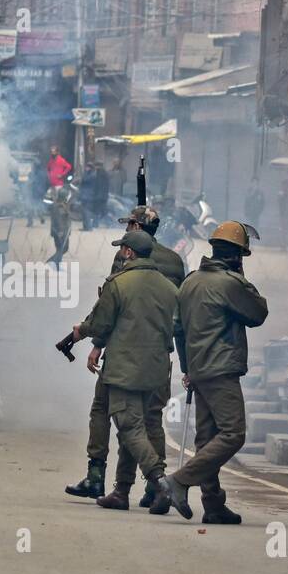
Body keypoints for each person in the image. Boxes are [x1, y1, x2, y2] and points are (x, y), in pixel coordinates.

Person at [65, 206, 185, 507]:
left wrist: (93, 340)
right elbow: (178, 320)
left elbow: (110, 311)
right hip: (158, 359)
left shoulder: (123, 268)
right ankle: (134, 490)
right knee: (151, 419)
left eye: (129, 226)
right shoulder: (172, 267)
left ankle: (115, 478)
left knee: (112, 415)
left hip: (124, 358)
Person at [155, 222, 268, 523]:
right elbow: (258, 314)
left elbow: (177, 329)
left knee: (206, 440)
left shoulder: (191, 281)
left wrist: (188, 367)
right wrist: (242, 280)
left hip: (200, 370)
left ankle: (214, 505)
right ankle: (178, 482)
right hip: (221, 370)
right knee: (233, 433)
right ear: (237, 256)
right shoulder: (230, 284)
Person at [47, 183, 73, 265]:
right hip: (60, 231)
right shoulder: (59, 207)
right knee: (61, 249)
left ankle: (55, 262)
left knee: (63, 249)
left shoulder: (62, 205)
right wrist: (60, 231)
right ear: (64, 197)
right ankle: (52, 262)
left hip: (63, 231)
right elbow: (59, 220)